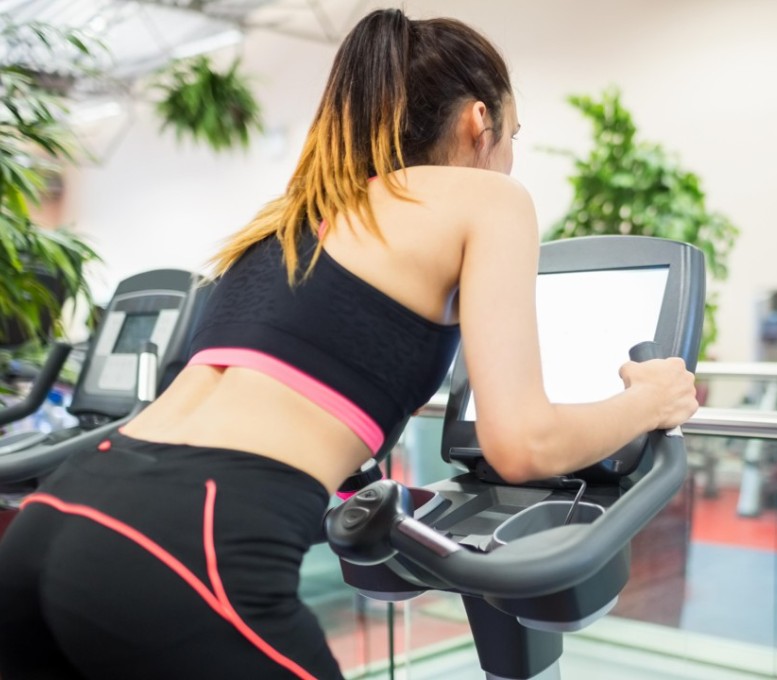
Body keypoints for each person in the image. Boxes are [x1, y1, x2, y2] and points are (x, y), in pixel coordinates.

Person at [0, 8, 698, 679]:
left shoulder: (286, 221)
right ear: (478, 120)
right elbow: (523, 445)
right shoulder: (485, 199)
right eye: (513, 133)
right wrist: (651, 398)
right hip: (187, 540)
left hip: (60, 512)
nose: (509, 157)